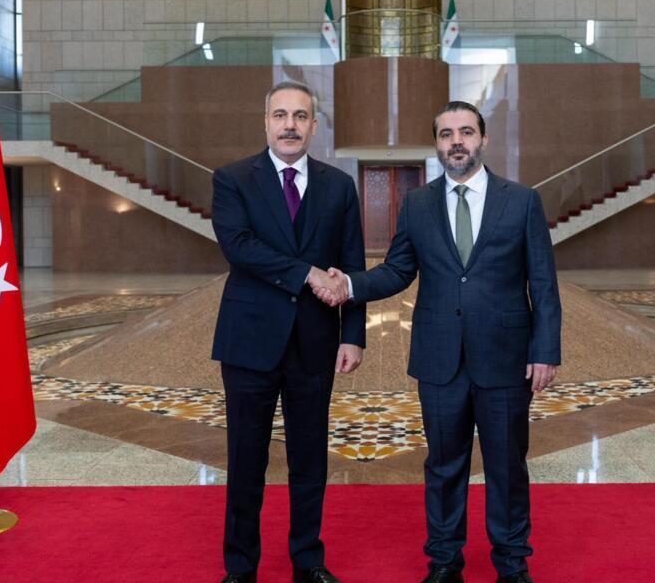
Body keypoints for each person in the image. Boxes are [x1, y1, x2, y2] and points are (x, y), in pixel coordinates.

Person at [317, 101, 561, 583]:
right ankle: (445, 561)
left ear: (483, 139)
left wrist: (545, 350)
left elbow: (544, 282)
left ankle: (512, 564)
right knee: (444, 465)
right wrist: (349, 284)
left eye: (466, 132)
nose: (457, 142)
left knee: (507, 466)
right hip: (439, 358)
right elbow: (398, 270)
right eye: (447, 133)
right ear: (437, 143)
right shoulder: (418, 203)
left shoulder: (522, 200)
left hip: (507, 359)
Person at [210, 80, 363, 583]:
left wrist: (353, 334)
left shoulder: (339, 186)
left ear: (314, 126)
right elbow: (239, 246)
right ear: (267, 122)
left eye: (300, 116)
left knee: (310, 458)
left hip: (316, 341)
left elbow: (352, 266)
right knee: (246, 458)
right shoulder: (233, 179)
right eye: (281, 115)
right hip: (249, 341)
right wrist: (306, 273)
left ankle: (308, 561)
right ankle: (239, 566)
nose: (290, 125)